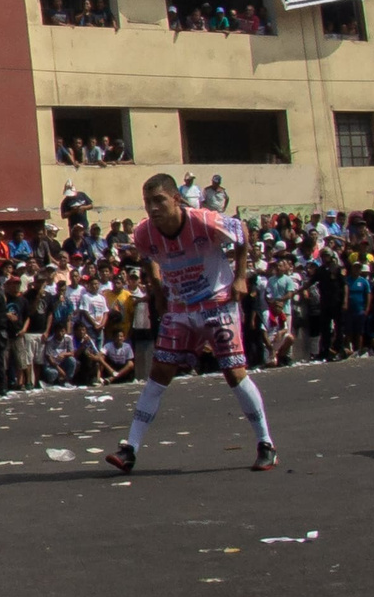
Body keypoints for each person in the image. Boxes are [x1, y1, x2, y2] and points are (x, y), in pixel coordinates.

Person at [104, 171, 277, 474]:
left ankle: (266, 444)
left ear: (176, 198)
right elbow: (151, 258)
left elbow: (242, 234)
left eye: (159, 200)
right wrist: (158, 290)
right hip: (180, 308)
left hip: (217, 303)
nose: (153, 208)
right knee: (159, 375)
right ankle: (129, 448)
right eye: (147, 202)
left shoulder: (204, 221)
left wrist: (239, 278)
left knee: (234, 373)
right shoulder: (144, 233)